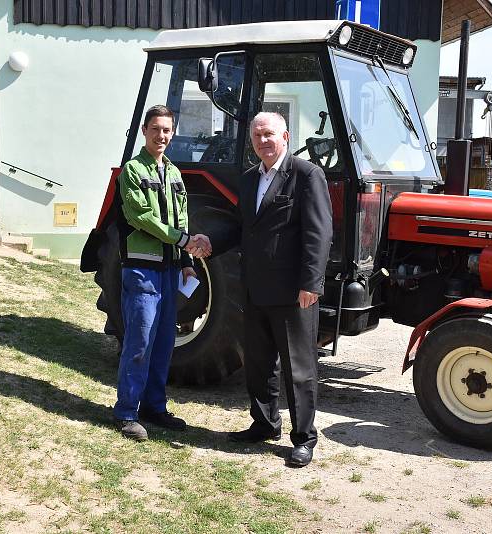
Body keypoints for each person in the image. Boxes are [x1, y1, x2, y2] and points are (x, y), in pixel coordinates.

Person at [210, 112, 332, 467]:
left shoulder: (307, 175)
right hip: (255, 289)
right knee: (259, 363)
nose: (263, 141)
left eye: (269, 134)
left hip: (293, 292)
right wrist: (208, 241)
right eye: (257, 135)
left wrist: (311, 283)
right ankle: (264, 424)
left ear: (285, 136)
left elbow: (318, 233)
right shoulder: (250, 179)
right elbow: (239, 228)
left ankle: (304, 438)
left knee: (299, 368)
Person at [113, 104, 209, 441]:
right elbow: (142, 218)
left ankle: (155, 407)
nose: (162, 136)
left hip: (170, 270)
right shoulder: (132, 171)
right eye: (156, 129)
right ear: (144, 131)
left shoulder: (174, 173)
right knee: (140, 342)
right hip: (142, 270)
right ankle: (127, 412)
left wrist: (187, 260)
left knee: (164, 343)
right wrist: (183, 240)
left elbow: (181, 217)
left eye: (167, 130)